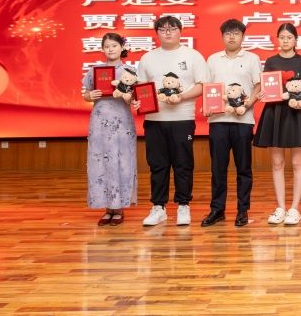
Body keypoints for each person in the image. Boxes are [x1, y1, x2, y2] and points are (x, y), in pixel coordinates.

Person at [137, 16, 207, 227]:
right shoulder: (148, 58)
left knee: (183, 163)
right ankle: (158, 207)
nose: (168, 32)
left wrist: (181, 97)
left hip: (182, 119)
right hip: (154, 119)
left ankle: (183, 205)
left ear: (180, 31)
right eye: (163, 29)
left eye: (172, 28)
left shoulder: (193, 56)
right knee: (157, 164)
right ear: (157, 33)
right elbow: (141, 88)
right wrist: (138, 101)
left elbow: (202, 85)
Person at [253, 23, 301, 225]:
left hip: (297, 113)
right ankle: (280, 207)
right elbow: (266, 87)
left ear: (296, 40)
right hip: (275, 113)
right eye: (282, 37)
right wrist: (263, 94)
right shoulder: (271, 61)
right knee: (277, 163)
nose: (286, 40)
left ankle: (294, 209)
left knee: (298, 163)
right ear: (277, 39)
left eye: (289, 37)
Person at [201, 19, 261, 228]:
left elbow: (258, 86)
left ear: (243, 36)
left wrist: (247, 104)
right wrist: (208, 106)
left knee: (244, 168)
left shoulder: (252, 58)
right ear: (222, 37)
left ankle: (242, 210)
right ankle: (217, 210)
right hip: (218, 120)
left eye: (236, 33)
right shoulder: (213, 59)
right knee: (218, 168)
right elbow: (208, 88)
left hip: (243, 121)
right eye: (228, 33)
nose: (232, 37)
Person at [81, 33, 137, 226]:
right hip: (99, 121)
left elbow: (135, 97)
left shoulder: (130, 71)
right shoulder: (94, 71)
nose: (111, 49)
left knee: (120, 162)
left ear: (122, 47)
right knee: (100, 162)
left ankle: (119, 208)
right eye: (107, 46)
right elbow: (85, 94)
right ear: (102, 49)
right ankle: (107, 209)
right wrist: (90, 95)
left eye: (114, 45)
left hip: (121, 122)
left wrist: (127, 95)